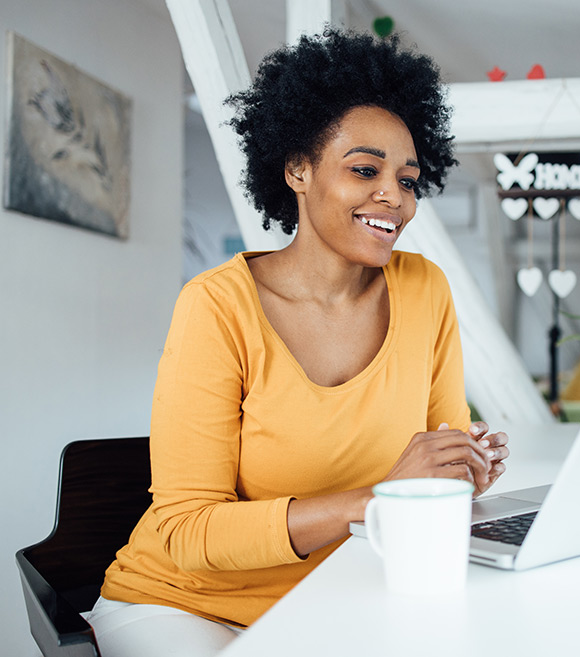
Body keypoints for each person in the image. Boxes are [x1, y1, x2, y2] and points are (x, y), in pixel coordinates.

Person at [87, 28, 509, 657]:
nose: (394, 196)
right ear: (297, 169)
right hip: (184, 604)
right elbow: (185, 531)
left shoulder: (425, 290)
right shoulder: (217, 306)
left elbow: (429, 481)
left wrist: (461, 470)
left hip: (341, 592)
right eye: (364, 169)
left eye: (409, 179)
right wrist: (381, 497)